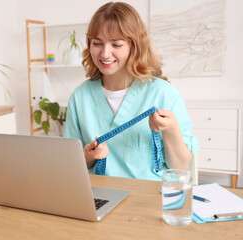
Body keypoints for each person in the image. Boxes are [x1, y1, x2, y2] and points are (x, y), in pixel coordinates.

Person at [63, 2, 199, 181]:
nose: (105, 53)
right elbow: (70, 164)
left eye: (116, 45)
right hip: (99, 197)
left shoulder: (163, 94)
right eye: (97, 43)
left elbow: (180, 167)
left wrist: (171, 130)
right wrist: (88, 157)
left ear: (134, 46)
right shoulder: (80, 97)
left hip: (150, 198)